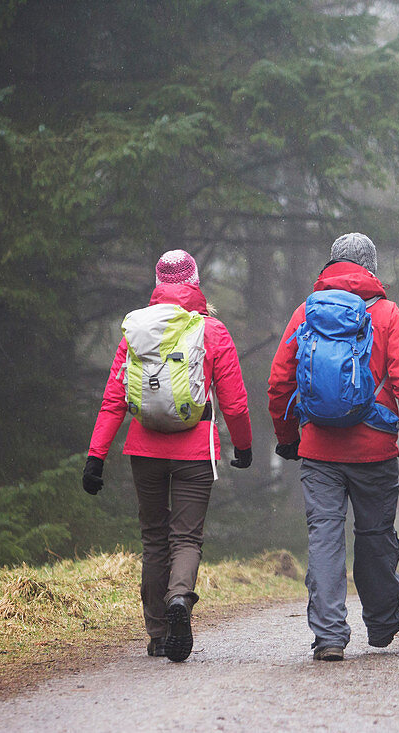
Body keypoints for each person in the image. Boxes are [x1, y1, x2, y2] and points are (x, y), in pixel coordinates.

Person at [267, 232, 399, 662]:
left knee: (325, 536)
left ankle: (328, 635)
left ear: (331, 265)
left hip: (319, 449)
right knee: (374, 535)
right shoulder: (387, 314)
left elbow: (280, 381)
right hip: (374, 448)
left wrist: (287, 437)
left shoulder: (306, 312)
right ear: (372, 269)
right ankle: (382, 621)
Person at [83, 249, 254, 662]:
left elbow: (113, 399)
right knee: (186, 537)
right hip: (195, 450)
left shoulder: (137, 331)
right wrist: (244, 446)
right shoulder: (211, 330)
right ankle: (180, 598)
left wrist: (96, 457)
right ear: (194, 281)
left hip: (144, 448)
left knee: (154, 538)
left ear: (157, 281)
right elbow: (234, 401)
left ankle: (159, 633)